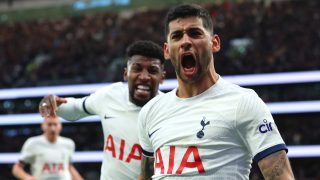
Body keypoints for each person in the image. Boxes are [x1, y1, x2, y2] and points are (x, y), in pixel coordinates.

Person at [138, 4, 295, 180]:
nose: (185, 42)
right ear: (167, 50)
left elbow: (280, 175)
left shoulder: (243, 102)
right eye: (177, 36)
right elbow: (145, 175)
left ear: (214, 43)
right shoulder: (151, 111)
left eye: (195, 33)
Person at [38, 40, 166, 180]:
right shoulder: (110, 95)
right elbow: (75, 108)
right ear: (125, 73)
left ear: (162, 77)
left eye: (153, 70)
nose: (144, 77)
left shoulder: (169, 112)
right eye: (137, 68)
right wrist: (52, 105)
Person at [12, 116, 83, 180]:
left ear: (60, 126)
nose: (53, 128)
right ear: (42, 126)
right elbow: (17, 168)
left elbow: (68, 167)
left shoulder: (69, 143)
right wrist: (27, 178)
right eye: (49, 124)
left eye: (55, 124)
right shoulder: (33, 143)